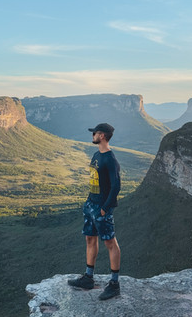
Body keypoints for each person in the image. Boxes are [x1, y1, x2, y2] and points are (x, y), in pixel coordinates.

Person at [68, 123, 121, 300]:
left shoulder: (110, 159)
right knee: (90, 239)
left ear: (103, 136)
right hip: (91, 204)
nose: (93, 136)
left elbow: (116, 186)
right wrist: (89, 202)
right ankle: (88, 278)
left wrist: (105, 209)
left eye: (95, 133)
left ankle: (114, 284)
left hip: (101, 208)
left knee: (110, 243)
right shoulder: (97, 154)